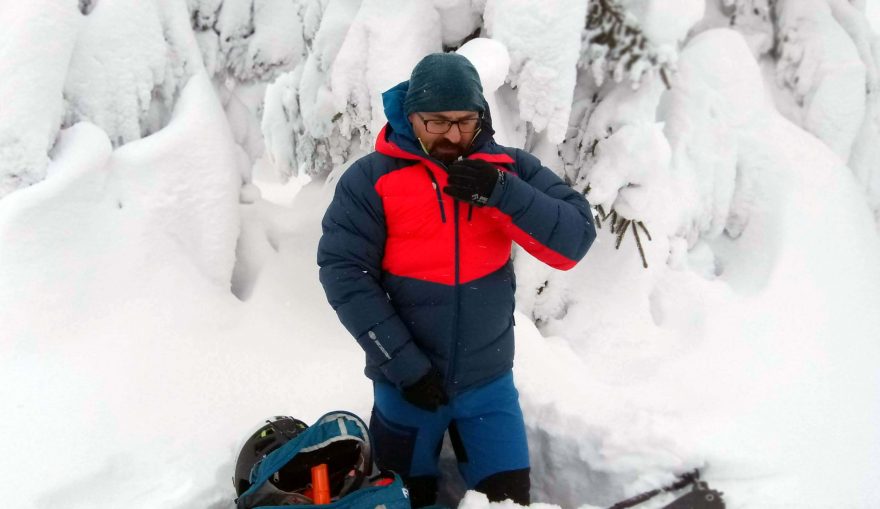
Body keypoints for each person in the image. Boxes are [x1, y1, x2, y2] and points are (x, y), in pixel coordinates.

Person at [317, 52, 596, 507]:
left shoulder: (509, 169)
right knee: (405, 499)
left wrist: (502, 193)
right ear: (411, 117)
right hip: (405, 388)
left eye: (465, 122)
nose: (453, 136)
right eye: (437, 123)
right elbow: (344, 273)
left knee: (509, 501)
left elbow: (575, 238)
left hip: (488, 387)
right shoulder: (371, 180)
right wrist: (403, 366)